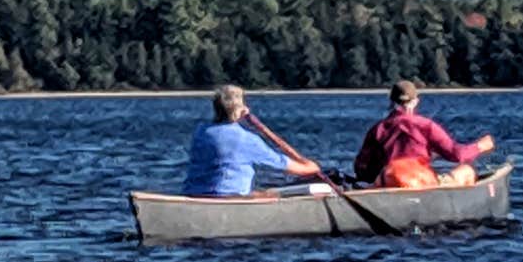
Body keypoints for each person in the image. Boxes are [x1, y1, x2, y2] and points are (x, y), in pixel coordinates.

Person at [182, 84, 321, 197]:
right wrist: (310, 168)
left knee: (259, 193)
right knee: (270, 196)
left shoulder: (201, 131)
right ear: (240, 109)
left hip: (193, 193)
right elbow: (281, 163)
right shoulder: (245, 139)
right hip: (227, 196)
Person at [353, 80, 494, 189]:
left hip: (387, 180)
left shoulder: (378, 129)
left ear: (392, 102)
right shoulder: (426, 126)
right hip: (419, 181)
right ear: (415, 101)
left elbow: (361, 168)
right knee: (467, 170)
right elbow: (457, 155)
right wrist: (480, 146)